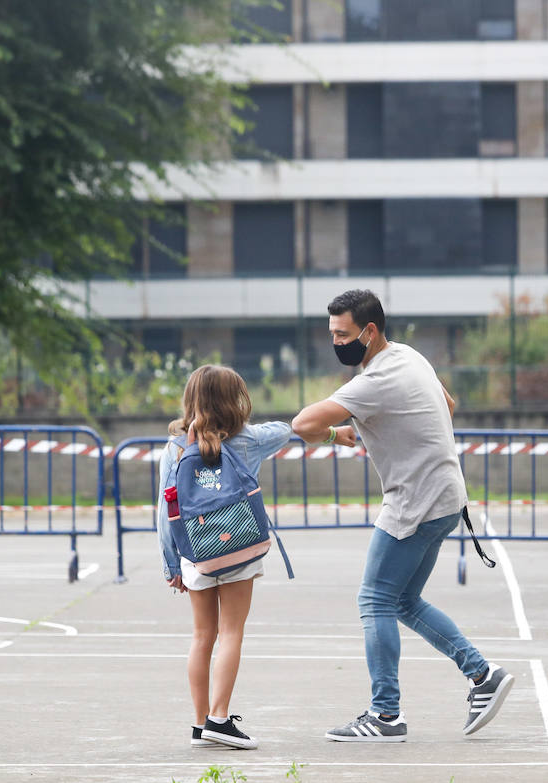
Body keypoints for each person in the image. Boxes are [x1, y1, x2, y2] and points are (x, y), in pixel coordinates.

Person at [293, 289, 514, 742]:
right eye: (332, 335)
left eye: (343, 335)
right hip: (446, 498)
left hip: (414, 504)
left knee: (374, 600)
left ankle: (386, 715)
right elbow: (447, 406)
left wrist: (336, 436)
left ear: (369, 332)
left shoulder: (372, 382)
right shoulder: (410, 357)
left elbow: (302, 424)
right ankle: (482, 675)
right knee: (403, 602)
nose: (337, 344)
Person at [158, 365, 291, 750]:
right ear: (235, 400)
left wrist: (172, 564)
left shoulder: (176, 447)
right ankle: (220, 718)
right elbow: (285, 428)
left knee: (203, 636)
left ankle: (201, 725)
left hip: (195, 553)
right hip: (239, 549)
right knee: (232, 633)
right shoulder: (249, 440)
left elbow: (165, 512)